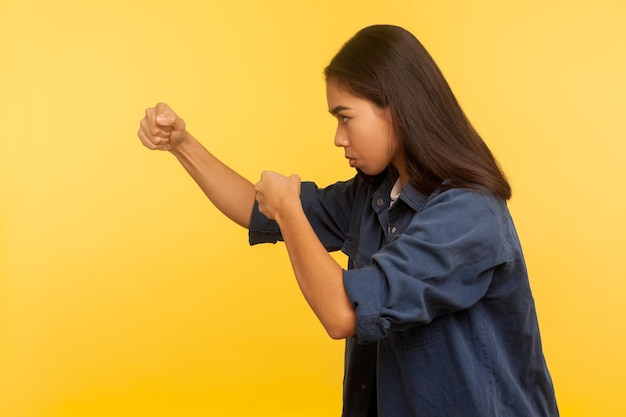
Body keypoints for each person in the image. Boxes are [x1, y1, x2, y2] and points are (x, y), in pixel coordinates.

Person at [137, 24, 558, 417]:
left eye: (345, 117)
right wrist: (182, 144)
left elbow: (341, 313)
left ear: (395, 109)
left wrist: (287, 208)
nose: (338, 137)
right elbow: (256, 206)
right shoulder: (373, 194)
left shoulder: (468, 213)